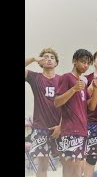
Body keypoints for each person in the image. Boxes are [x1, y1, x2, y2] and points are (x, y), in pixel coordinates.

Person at [54, 49, 97, 177]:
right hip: (70, 130)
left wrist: (96, 90)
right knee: (69, 166)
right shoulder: (67, 77)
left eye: (88, 63)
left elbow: (91, 107)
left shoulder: (83, 83)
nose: (85, 65)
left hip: (82, 130)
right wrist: (73, 89)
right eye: (83, 62)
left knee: (79, 167)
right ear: (74, 61)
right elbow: (57, 102)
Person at [25, 48, 62, 177]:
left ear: (56, 63)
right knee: (42, 167)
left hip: (60, 128)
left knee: (67, 164)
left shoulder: (63, 80)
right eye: (45, 57)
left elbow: (69, 106)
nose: (49, 59)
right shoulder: (35, 77)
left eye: (52, 57)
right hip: (41, 128)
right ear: (40, 63)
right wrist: (33, 58)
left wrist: (61, 126)